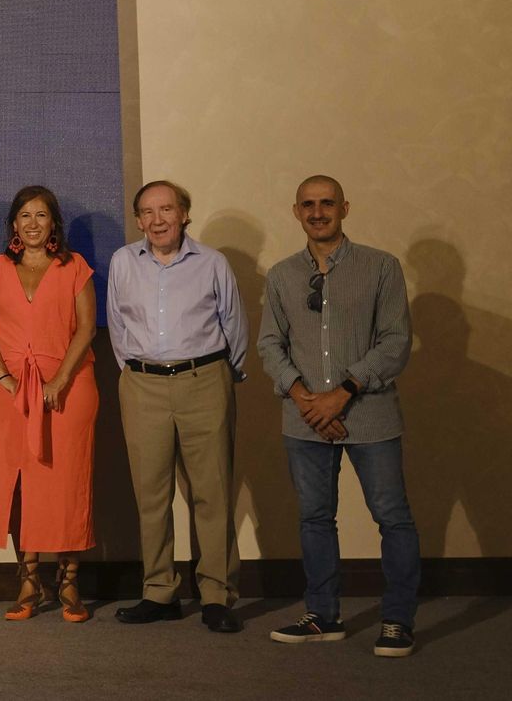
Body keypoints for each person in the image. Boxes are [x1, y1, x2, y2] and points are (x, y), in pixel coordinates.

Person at [258, 175, 418, 657]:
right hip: (304, 420)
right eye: (308, 204)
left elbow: (395, 342)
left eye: (327, 203)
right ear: (295, 211)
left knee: (392, 518)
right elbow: (269, 344)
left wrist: (342, 393)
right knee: (314, 518)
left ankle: (397, 621)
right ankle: (323, 615)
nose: (318, 211)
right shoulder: (283, 275)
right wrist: (308, 397)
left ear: (345, 208)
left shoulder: (381, 268)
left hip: (369, 416)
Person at [106, 180, 248, 634]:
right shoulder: (123, 262)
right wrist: (135, 372)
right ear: (138, 220)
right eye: (147, 212)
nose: (157, 220)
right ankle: (159, 591)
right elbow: (117, 327)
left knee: (213, 493)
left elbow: (235, 328)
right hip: (143, 386)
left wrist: (223, 378)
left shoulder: (212, 263)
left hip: (204, 381)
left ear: (184, 214)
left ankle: (215, 595)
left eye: (166, 209)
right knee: (151, 495)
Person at [0, 186, 99, 622]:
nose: (31, 223)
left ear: (52, 224)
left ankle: (68, 579)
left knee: (65, 482)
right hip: (8, 392)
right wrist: (4, 377)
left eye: (40, 215)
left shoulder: (75, 267)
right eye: (24, 215)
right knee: (18, 485)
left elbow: (86, 330)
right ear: (13, 225)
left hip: (69, 387)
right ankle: (28, 578)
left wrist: (60, 380)